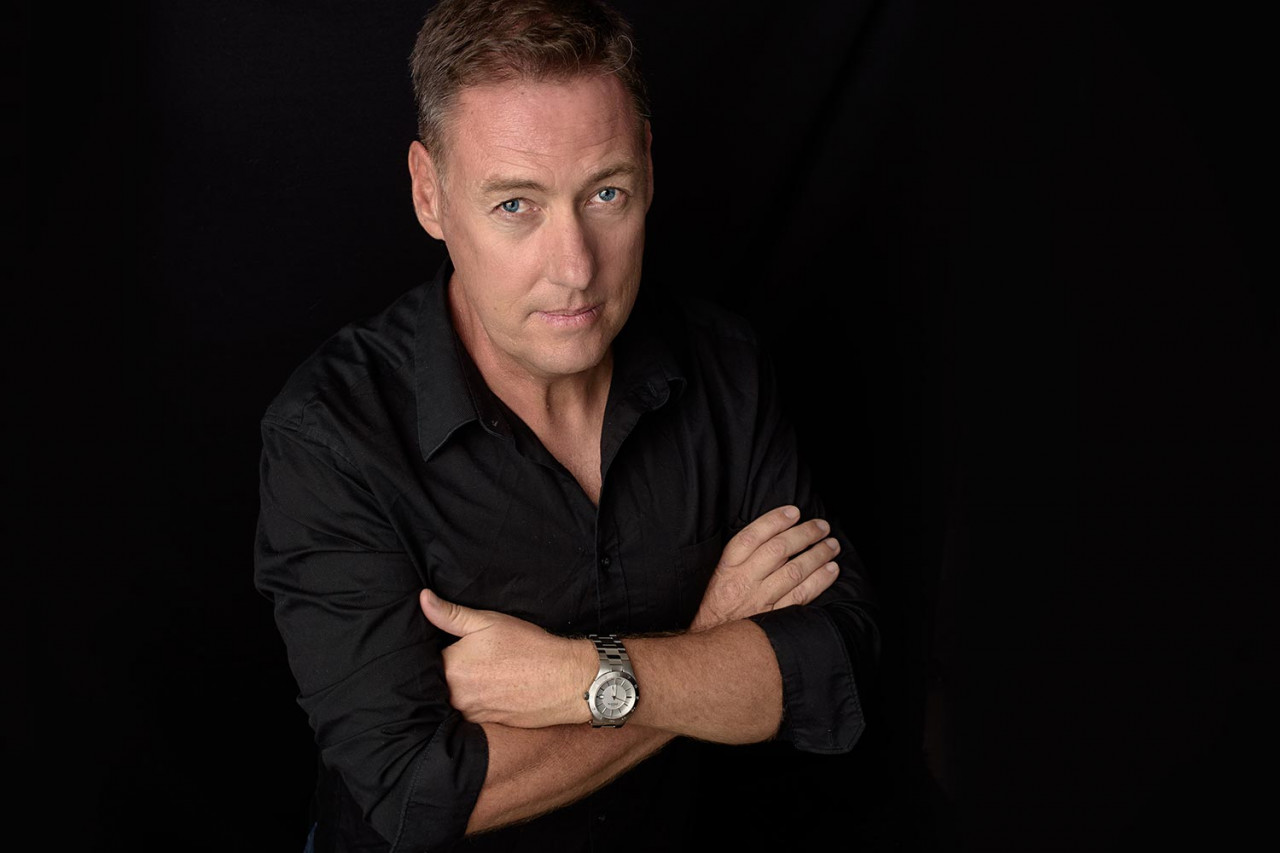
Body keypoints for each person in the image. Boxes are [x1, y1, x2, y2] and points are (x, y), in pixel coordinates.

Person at [254, 1, 880, 850]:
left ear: (648, 167)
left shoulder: (723, 367)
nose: (576, 267)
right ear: (430, 193)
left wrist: (575, 677)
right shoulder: (332, 437)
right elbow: (416, 794)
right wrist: (705, 643)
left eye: (606, 193)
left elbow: (835, 663)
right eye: (517, 204)